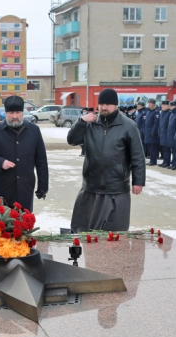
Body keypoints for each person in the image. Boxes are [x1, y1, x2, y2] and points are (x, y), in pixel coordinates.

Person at [67, 88, 145, 232]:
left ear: (116, 105)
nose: (104, 107)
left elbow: (137, 155)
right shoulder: (90, 123)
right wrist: (81, 121)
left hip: (116, 187)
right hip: (91, 186)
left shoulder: (128, 126)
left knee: (114, 233)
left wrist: (138, 181)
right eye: (101, 104)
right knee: (84, 230)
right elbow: (71, 140)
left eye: (108, 104)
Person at [0, 95, 49, 212]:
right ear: (5, 113)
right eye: (11, 113)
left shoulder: (33, 131)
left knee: (23, 225)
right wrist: (1, 162)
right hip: (3, 188)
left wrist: (43, 186)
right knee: (3, 225)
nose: (15, 116)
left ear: (22, 112)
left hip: (25, 188)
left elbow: (41, 160)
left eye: (18, 112)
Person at [143, 98, 160, 165]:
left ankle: (153, 161)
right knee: (150, 147)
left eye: (150, 103)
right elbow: (146, 122)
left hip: (152, 133)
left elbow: (156, 123)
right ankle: (151, 160)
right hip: (147, 132)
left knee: (153, 148)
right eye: (148, 103)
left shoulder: (156, 112)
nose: (149, 104)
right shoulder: (148, 111)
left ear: (153, 104)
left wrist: (153, 131)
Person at [166, 101, 176, 170]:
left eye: (172, 106)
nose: (171, 107)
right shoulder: (171, 114)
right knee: (173, 151)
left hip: (174, 135)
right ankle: (173, 163)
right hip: (170, 134)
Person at [158, 101, 171, 168]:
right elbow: (160, 124)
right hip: (162, 133)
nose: (163, 106)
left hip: (166, 133)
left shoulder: (169, 113)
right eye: (162, 105)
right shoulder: (162, 113)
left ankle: (167, 162)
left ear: (168, 106)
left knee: (167, 149)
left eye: (164, 105)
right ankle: (164, 161)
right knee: (163, 149)